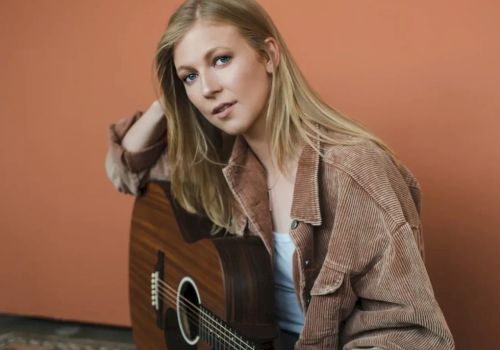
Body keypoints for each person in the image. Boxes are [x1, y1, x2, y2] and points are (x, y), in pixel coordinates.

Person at [105, 0, 455, 349]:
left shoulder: (356, 172)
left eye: (221, 59)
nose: (208, 88)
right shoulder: (217, 162)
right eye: (190, 76)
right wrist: (168, 100)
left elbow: (413, 336)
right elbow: (125, 172)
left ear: (269, 55)